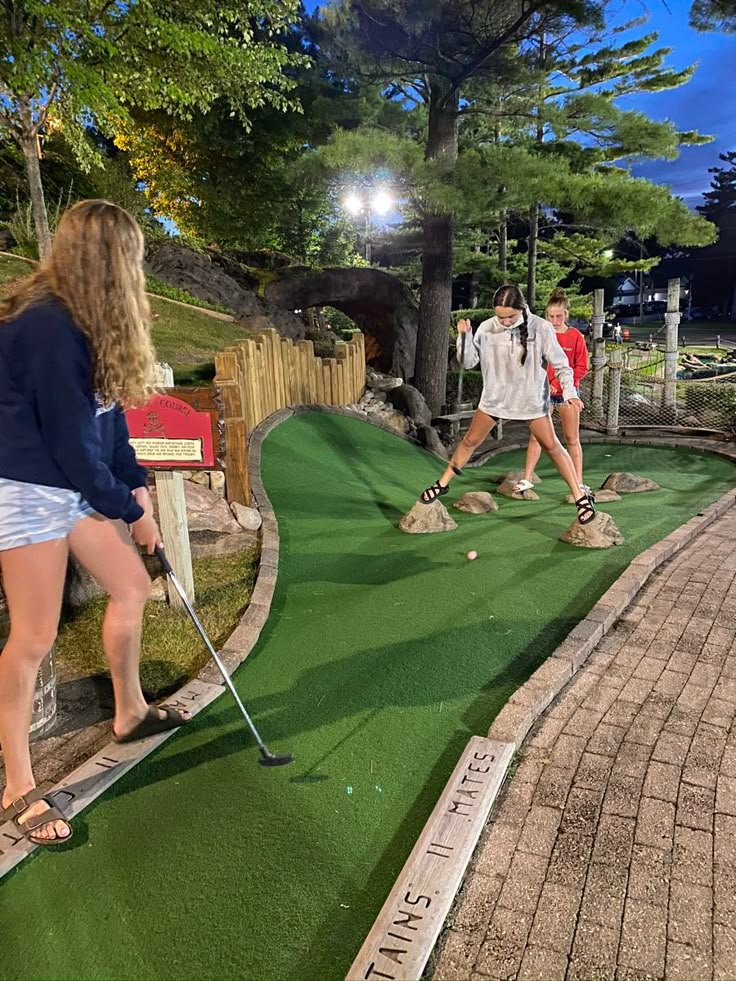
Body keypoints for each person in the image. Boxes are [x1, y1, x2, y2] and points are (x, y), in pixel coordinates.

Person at [0, 200, 190, 847]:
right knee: (34, 634)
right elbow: (72, 446)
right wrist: (129, 507)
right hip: (24, 486)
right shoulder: (46, 326)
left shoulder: (88, 321)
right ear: (110, 261)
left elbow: (104, 424)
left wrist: (131, 478)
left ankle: (129, 709)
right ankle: (19, 784)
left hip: (65, 481)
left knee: (131, 586)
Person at [419, 283, 596, 526]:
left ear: (521, 308)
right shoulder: (486, 328)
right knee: (469, 441)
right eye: (499, 316)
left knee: (553, 447)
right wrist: (464, 338)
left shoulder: (541, 328)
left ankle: (580, 498)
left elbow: (562, 364)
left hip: (531, 401)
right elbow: (468, 362)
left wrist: (570, 392)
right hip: (495, 399)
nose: (503, 321)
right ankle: (442, 483)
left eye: (509, 316)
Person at [519, 288, 592, 501]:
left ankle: (578, 483)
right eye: (550, 316)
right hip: (544, 394)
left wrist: (563, 385)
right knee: (536, 436)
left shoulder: (575, 336)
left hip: (567, 394)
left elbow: (582, 366)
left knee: (571, 438)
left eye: (559, 316)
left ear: (566, 314)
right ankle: (527, 478)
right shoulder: (542, 335)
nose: (554, 320)